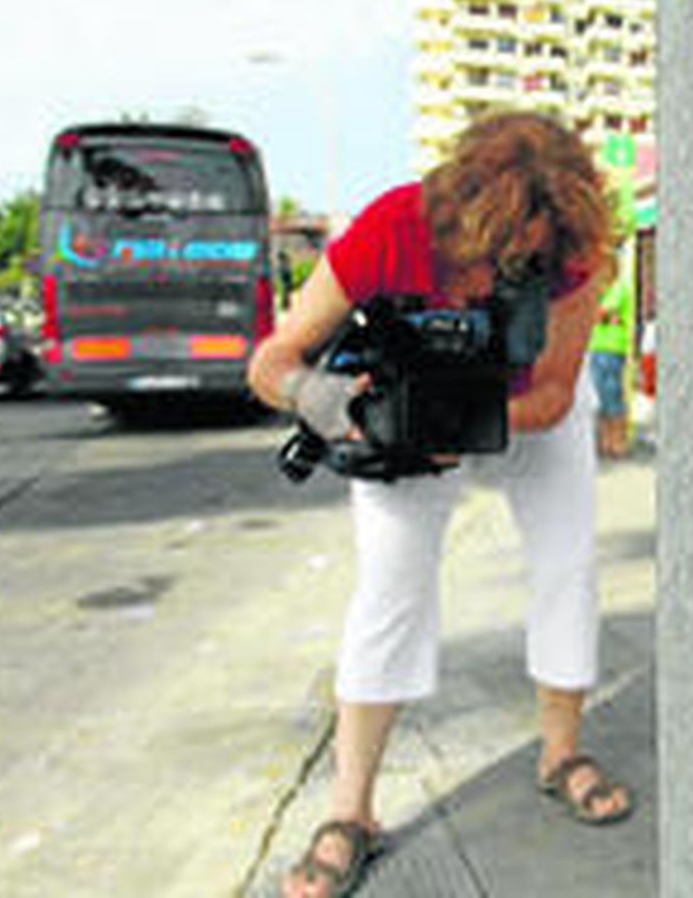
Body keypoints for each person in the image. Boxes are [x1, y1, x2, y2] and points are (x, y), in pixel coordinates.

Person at [248, 111, 632, 898]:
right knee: (392, 587)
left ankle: (560, 752)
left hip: (520, 411)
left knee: (569, 563)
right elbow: (272, 362)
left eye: (528, 256)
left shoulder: (572, 249)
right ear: (459, 212)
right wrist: (327, 399)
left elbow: (556, 392)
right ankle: (350, 810)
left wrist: (460, 421)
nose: (500, 278)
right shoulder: (391, 228)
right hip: (407, 417)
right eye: (495, 254)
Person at [589, 275, 634, 458]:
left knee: (611, 395)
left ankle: (619, 441)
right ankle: (604, 441)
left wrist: (599, 314)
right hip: (594, 346)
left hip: (612, 348)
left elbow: (601, 312)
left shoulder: (619, 289)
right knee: (599, 397)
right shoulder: (597, 289)